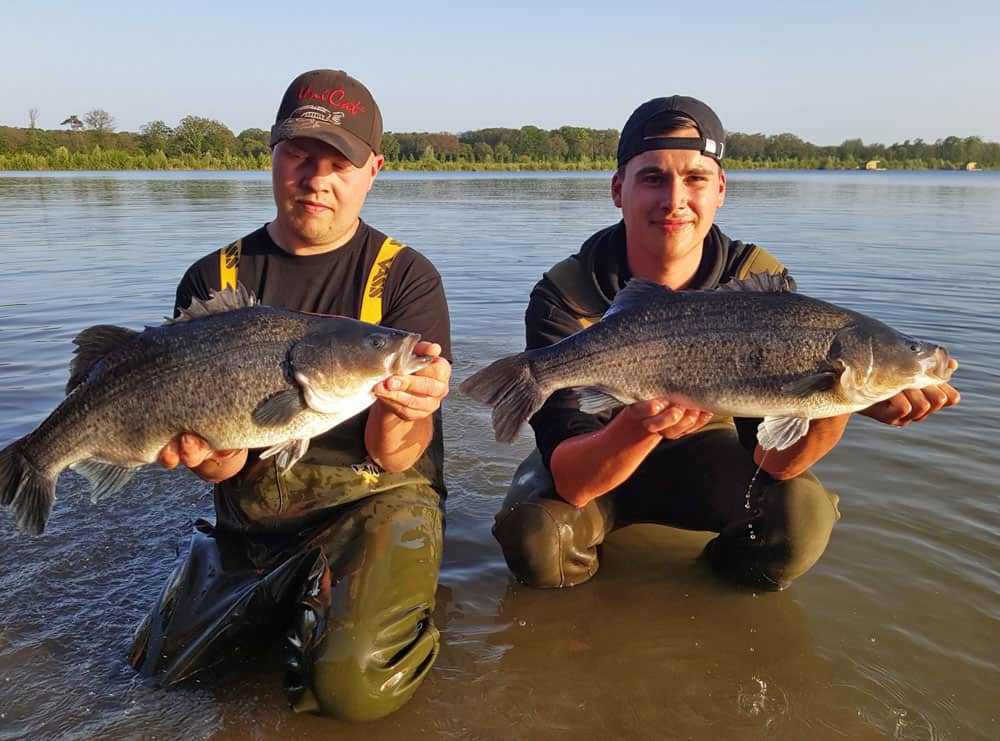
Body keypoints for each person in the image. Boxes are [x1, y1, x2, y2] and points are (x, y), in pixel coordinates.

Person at [492, 96, 959, 591]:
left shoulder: (762, 281)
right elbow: (573, 482)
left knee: (799, 518)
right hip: (600, 448)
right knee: (538, 538)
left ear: (720, 190)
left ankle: (708, 597)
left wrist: (839, 401)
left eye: (694, 178)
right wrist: (640, 424)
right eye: (653, 178)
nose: (674, 200)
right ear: (618, 190)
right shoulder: (564, 292)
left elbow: (775, 460)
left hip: (710, 456)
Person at [128, 69, 452, 722]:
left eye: (338, 162)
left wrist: (407, 408)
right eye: (300, 155)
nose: (316, 178)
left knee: (350, 686)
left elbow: (396, 458)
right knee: (157, 673)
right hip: (251, 515)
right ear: (272, 153)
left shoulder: (405, 279)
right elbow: (225, 464)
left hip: (375, 504)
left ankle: (392, 605)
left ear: (372, 170)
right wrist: (204, 451)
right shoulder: (214, 277)